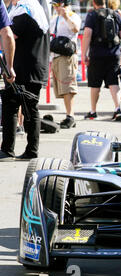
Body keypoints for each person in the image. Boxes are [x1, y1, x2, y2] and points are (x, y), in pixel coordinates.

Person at [0, 0, 48, 162]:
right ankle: (32, 149)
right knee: (32, 109)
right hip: (36, 66)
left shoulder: (23, 11)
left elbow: (10, 36)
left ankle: (7, 149)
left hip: (21, 67)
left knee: (10, 106)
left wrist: (9, 65)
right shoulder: (38, 10)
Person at [82, 0, 121, 121]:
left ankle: (93, 111)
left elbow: (87, 34)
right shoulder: (115, 14)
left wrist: (84, 54)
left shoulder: (92, 15)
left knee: (95, 84)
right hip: (114, 54)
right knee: (114, 82)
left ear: (93, 2)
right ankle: (118, 109)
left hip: (97, 55)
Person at [49, 0, 81, 129]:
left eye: (57, 5)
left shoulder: (73, 16)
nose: (55, 8)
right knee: (62, 89)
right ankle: (69, 115)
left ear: (64, 4)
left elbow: (75, 29)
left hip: (67, 56)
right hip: (56, 55)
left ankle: (70, 116)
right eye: (54, 5)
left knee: (68, 87)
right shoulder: (54, 19)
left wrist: (66, 16)